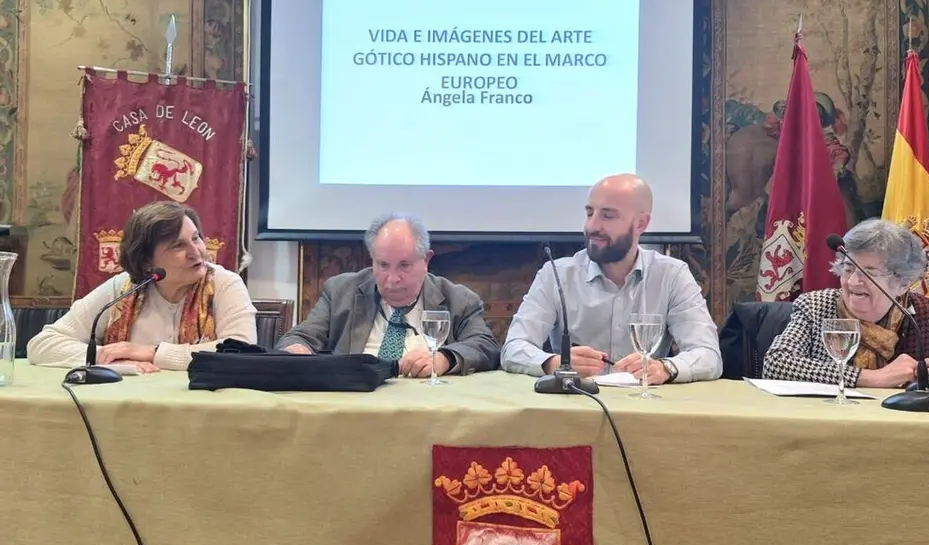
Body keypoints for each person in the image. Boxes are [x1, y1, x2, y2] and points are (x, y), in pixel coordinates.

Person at [501, 174, 722, 383]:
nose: (592, 226)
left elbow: (708, 354)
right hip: (574, 404)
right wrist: (554, 363)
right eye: (589, 213)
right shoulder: (556, 275)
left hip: (646, 408)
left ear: (641, 224)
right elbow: (513, 348)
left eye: (608, 215)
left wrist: (665, 369)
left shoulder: (671, 275)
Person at [27, 201, 257, 372]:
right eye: (178, 245)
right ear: (147, 261)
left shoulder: (223, 283)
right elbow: (42, 345)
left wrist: (150, 353)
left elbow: (242, 352)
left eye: (196, 238)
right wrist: (112, 358)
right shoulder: (123, 287)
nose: (196, 252)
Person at [276, 213, 499, 377]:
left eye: (404, 265)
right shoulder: (340, 292)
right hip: (355, 404)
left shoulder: (458, 299)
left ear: (426, 260)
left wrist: (445, 358)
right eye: (383, 265)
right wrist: (296, 350)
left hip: (428, 407)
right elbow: (299, 337)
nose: (392, 279)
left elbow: (485, 345)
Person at [762, 218, 929, 388]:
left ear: (903, 283)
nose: (853, 282)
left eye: (869, 273)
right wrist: (874, 378)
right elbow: (775, 364)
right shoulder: (816, 306)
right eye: (848, 268)